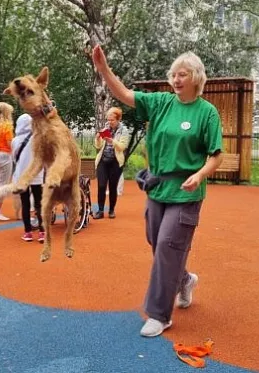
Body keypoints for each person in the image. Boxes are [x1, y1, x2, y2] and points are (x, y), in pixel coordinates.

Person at [92, 45, 223, 337]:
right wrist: (103, 69)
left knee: (166, 245)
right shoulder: (161, 102)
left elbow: (216, 155)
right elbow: (125, 95)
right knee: (157, 242)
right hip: (157, 185)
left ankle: (159, 314)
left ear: (196, 77)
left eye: (183, 74)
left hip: (187, 191)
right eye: (173, 75)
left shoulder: (206, 112)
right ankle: (185, 280)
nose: (176, 79)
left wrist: (200, 174)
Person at [12, 113, 46, 242]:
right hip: (36, 173)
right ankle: (42, 232)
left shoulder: (15, 140)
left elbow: (14, 158)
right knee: (39, 203)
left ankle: (28, 232)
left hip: (22, 175)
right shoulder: (38, 137)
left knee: (25, 203)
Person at [93, 107, 130, 219]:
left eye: (112, 120)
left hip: (115, 162)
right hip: (103, 161)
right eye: (108, 119)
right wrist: (98, 139)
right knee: (101, 185)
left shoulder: (124, 130)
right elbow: (98, 146)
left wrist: (112, 141)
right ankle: (100, 211)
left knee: (113, 187)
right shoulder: (105, 128)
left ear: (118, 119)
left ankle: (111, 210)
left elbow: (123, 146)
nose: (110, 122)